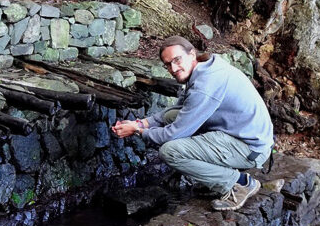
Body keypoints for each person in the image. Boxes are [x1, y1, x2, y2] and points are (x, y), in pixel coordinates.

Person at [112, 36, 274, 211]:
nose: (173, 68)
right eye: (167, 64)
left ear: (192, 54)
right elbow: (177, 110)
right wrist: (141, 122)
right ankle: (216, 179)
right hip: (241, 136)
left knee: (170, 151)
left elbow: (173, 135)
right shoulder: (205, 68)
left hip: (250, 149)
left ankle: (238, 184)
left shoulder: (205, 85)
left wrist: (138, 131)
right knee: (173, 115)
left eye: (177, 60)